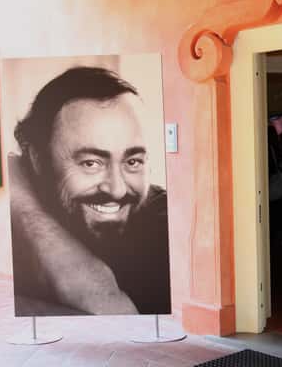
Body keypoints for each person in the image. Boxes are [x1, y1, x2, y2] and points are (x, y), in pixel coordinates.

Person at [9, 66, 171, 316]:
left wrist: (21, 200)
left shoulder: (166, 224)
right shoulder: (0, 233)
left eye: (132, 161)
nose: (117, 190)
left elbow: (114, 312)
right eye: (91, 163)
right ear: (37, 159)